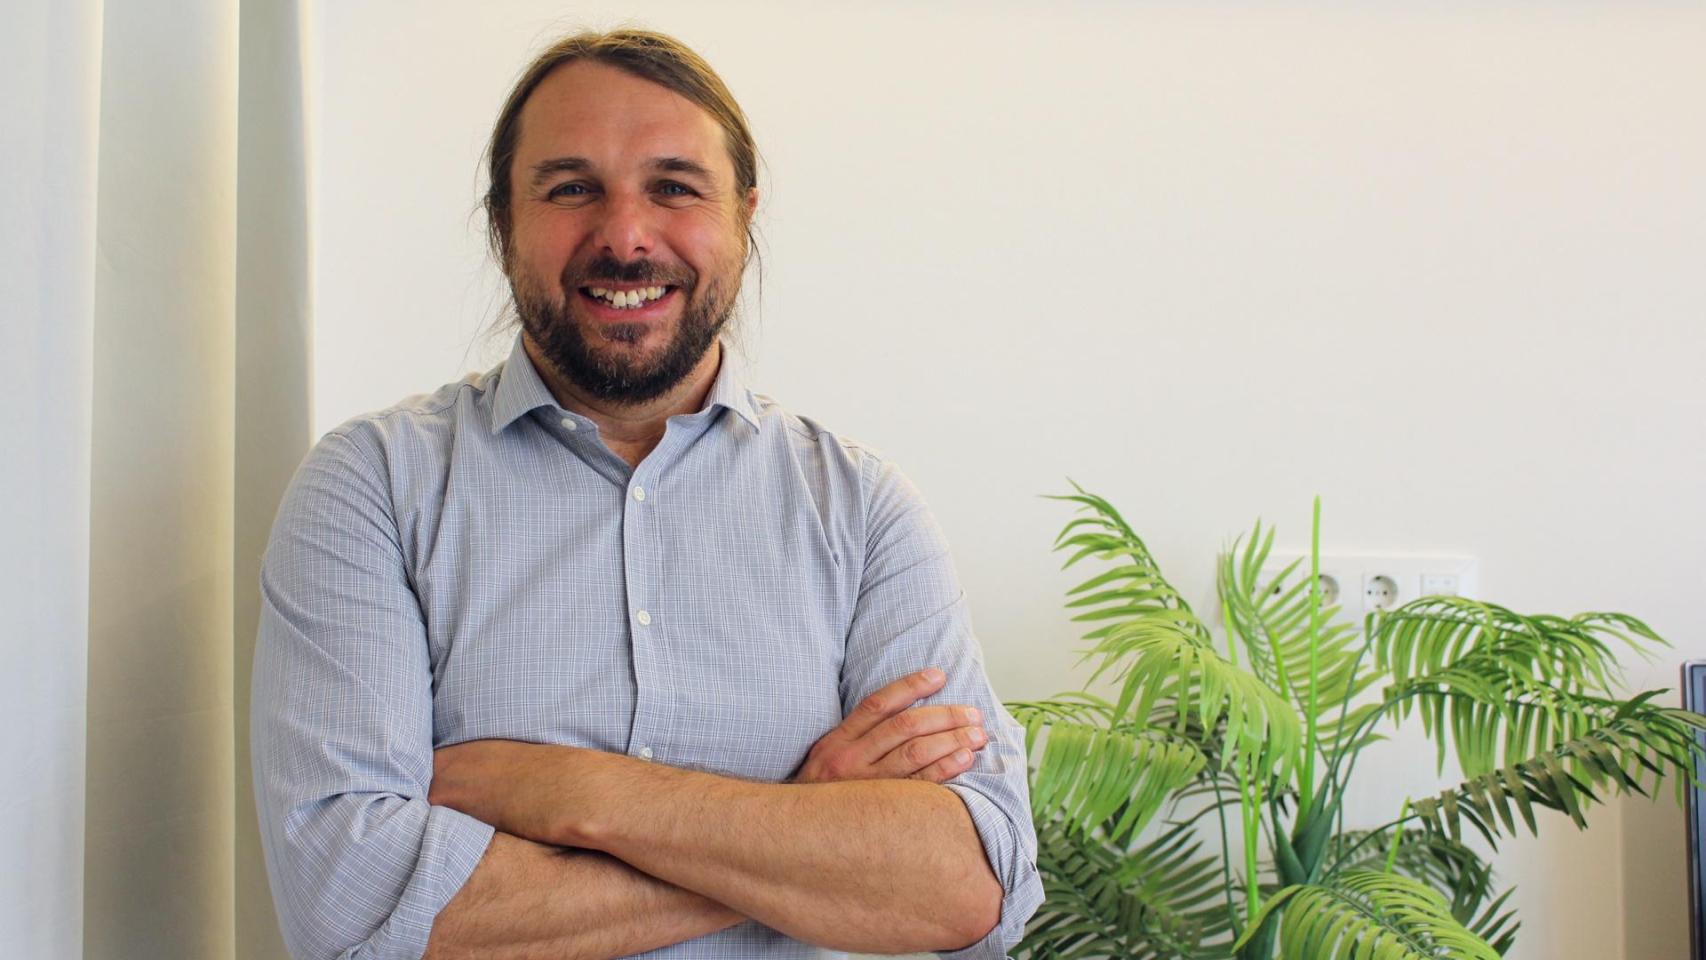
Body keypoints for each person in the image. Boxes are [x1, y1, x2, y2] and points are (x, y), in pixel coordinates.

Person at [251, 28, 1042, 960]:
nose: (625, 236)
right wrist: (804, 824)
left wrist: (574, 796)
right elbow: (349, 911)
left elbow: (970, 882)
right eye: (570, 188)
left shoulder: (862, 510)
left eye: (674, 187)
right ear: (503, 223)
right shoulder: (374, 488)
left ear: (745, 216)